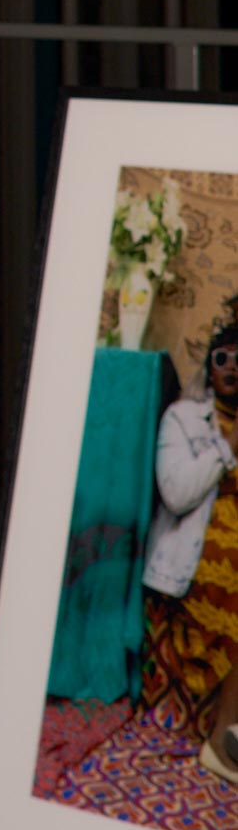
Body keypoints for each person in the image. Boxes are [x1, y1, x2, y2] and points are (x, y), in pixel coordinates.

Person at [143, 310, 238, 784]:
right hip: (197, 560)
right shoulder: (183, 418)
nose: (233, 367)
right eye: (224, 357)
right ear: (211, 364)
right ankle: (223, 742)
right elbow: (177, 493)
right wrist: (227, 448)